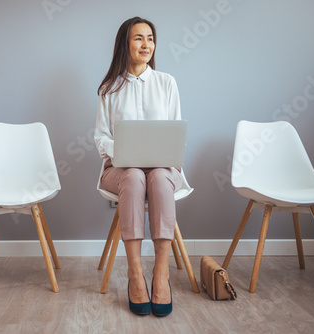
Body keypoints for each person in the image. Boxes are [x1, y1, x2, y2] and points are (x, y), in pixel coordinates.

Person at [94, 17, 183, 317]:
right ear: (125, 43)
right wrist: (121, 152)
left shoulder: (166, 82)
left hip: (161, 168)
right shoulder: (109, 88)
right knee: (133, 176)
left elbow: (175, 131)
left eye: (150, 38)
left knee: (158, 178)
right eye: (138, 38)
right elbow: (100, 138)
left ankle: (161, 274)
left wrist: (162, 156)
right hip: (120, 170)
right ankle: (135, 273)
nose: (146, 44)